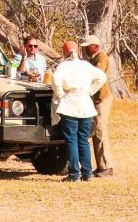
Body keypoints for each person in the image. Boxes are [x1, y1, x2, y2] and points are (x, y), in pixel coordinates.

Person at [49, 41, 107, 183]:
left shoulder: (64, 66)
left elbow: (55, 80)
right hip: (86, 106)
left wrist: (60, 93)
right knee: (83, 140)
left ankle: (74, 174)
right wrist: (90, 91)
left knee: (71, 140)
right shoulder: (86, 65)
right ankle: (87, 173)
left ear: (65, 52)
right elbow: (102, 77)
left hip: (70, 104)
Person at [81, 35, 116, 178]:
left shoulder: (101, 58)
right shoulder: (92, 58)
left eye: (88, 46)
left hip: (101, 99)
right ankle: (101, 166)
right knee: (96, 132)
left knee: (100, 131)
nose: (86, 49)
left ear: (96, 46)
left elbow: (97, 76)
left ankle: (107, 166)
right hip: (95, 99)